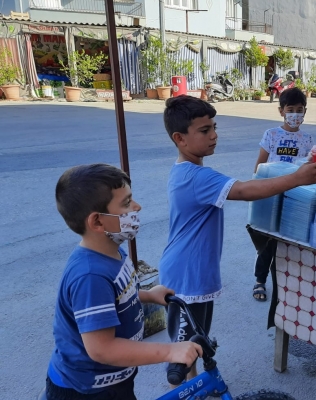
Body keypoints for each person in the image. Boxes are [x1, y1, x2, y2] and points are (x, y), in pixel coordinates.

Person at [158, 95, 316, 381]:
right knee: (183, 351)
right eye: (204, 131)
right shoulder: (195, 177)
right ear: (180, 138)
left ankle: (196, 385)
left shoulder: (191, 171)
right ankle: (188, 391)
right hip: (186, 276)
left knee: (197, 341)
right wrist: (298, 178)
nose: (213, 135)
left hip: (195, 273)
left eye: (214, 127)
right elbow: (246, 190)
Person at [46, 164, 202, 400]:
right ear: (98, 222)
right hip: (87, 391)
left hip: (114, 379)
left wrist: (148, 294)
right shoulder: (91, 276)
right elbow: (102, 348)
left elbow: (118, 295)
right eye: (127, 203)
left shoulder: (113, 251)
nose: (137, 207)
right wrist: (170, 351)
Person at [251, 87, 313, 302]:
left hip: (295, 196)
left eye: (300, 110)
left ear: (305, 112)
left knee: (289, 241)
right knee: (267, 241)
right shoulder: (272, 135)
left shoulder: (307, 139)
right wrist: (258, 188)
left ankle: (286, 285)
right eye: (291, 109)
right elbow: (259, 164)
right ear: (281, 111)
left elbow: (308, 167)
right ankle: (260, 280)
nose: (295, 114)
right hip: (271, 193)